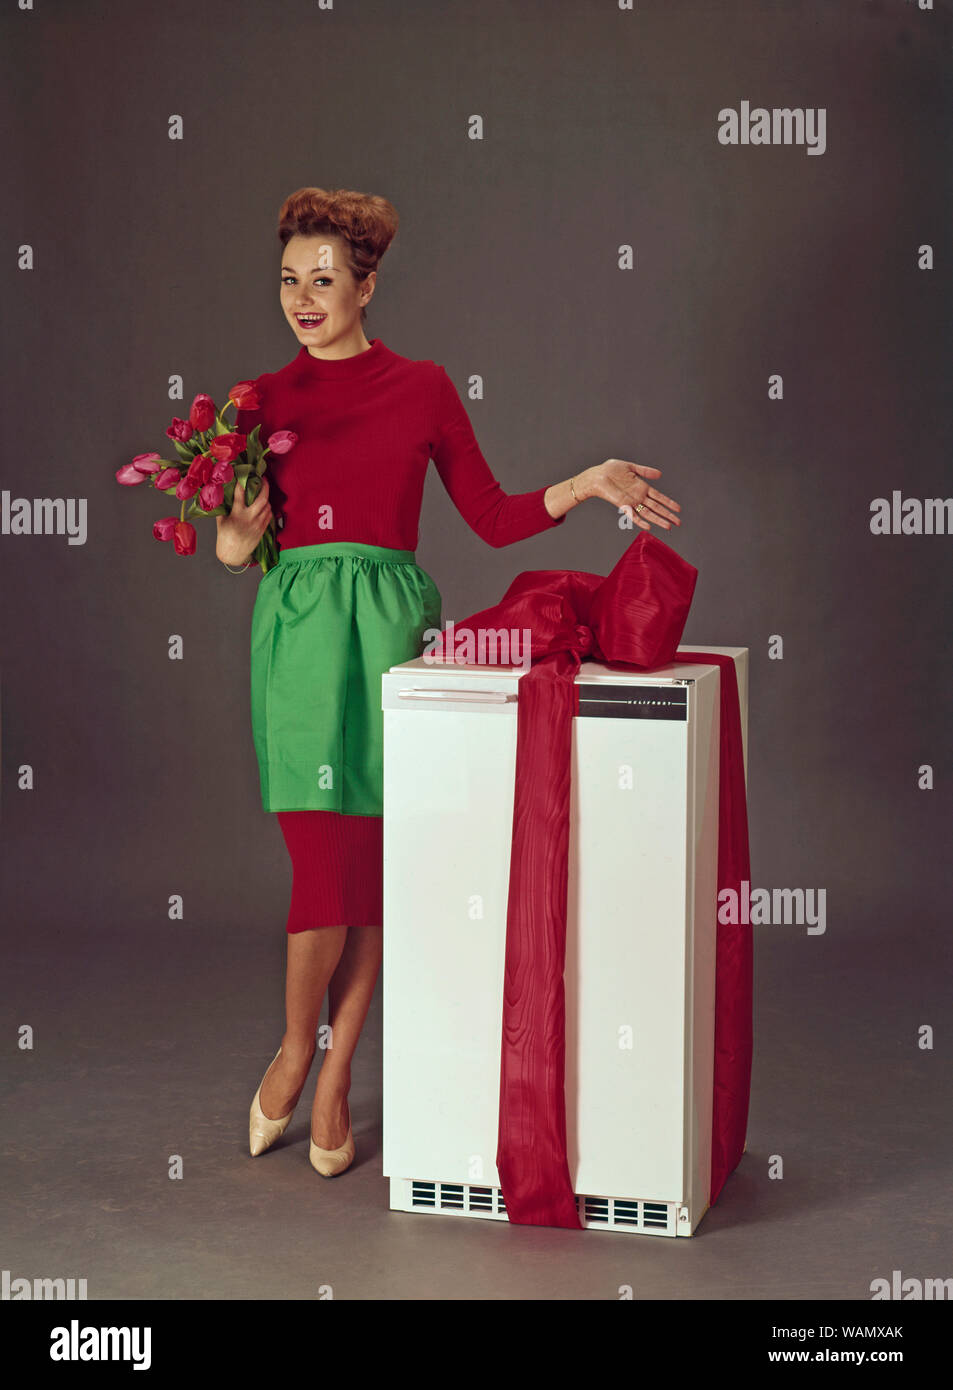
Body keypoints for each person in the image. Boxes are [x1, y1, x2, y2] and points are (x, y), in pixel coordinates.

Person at [215, 186, 682, 1179]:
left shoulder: (422, 387)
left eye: (325, 281)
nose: (303, 298)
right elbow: (229, 547)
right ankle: (297, 1048)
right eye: (289, 280)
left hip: (391, 631)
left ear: (366, 284)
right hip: (299, 636)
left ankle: (337, 1078)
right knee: (318, 872)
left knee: (379, 872)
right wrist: (239, 530)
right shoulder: (257, 400)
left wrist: (590, 477)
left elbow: (495, 515)